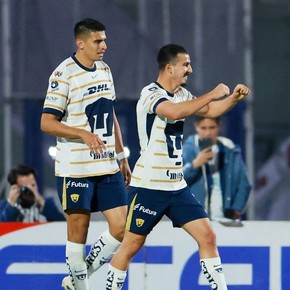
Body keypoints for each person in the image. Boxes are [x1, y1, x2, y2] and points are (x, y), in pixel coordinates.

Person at [105, 44, 250, 290]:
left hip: (177, 186)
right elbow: (173, 112)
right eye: (185, 64)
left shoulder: (183, 94)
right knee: (130, 245)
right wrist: (213, 92)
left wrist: (233, 98)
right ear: (169, 67)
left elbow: (211, 110)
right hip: (150, 185)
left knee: (207, 236)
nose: (190, 70)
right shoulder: (150, 93)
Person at [40, 18, 131, 290]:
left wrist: (121, 155)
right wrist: (82, 133)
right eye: (98, 41)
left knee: (121, 228)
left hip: (106, 166)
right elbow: (46, 122)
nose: (104, 45)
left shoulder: (105, 69)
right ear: (81, 43)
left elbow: (110, 113)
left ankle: (78, 280)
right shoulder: (63, 74)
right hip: (76, 168)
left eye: (104, 39)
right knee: (79, 233)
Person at [183, 116, 251, 222]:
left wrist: (236, 208)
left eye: (212, 127)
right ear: (196, 127)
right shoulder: (189, 149)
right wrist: (194, 165)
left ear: (219, 126)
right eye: (203, 128)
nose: (208, 133)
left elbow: (243, 182)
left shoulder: (229, 149)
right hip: (196, 218)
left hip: (225, 217)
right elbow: (175, 182)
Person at [0, 164, 65, 222]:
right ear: (14, 188)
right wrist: (11, 203)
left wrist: (40, 200)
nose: (30, 189)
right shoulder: (3, 206)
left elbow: (62, 224)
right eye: (24, 186)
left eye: (32, 185)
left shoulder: (47, 204)